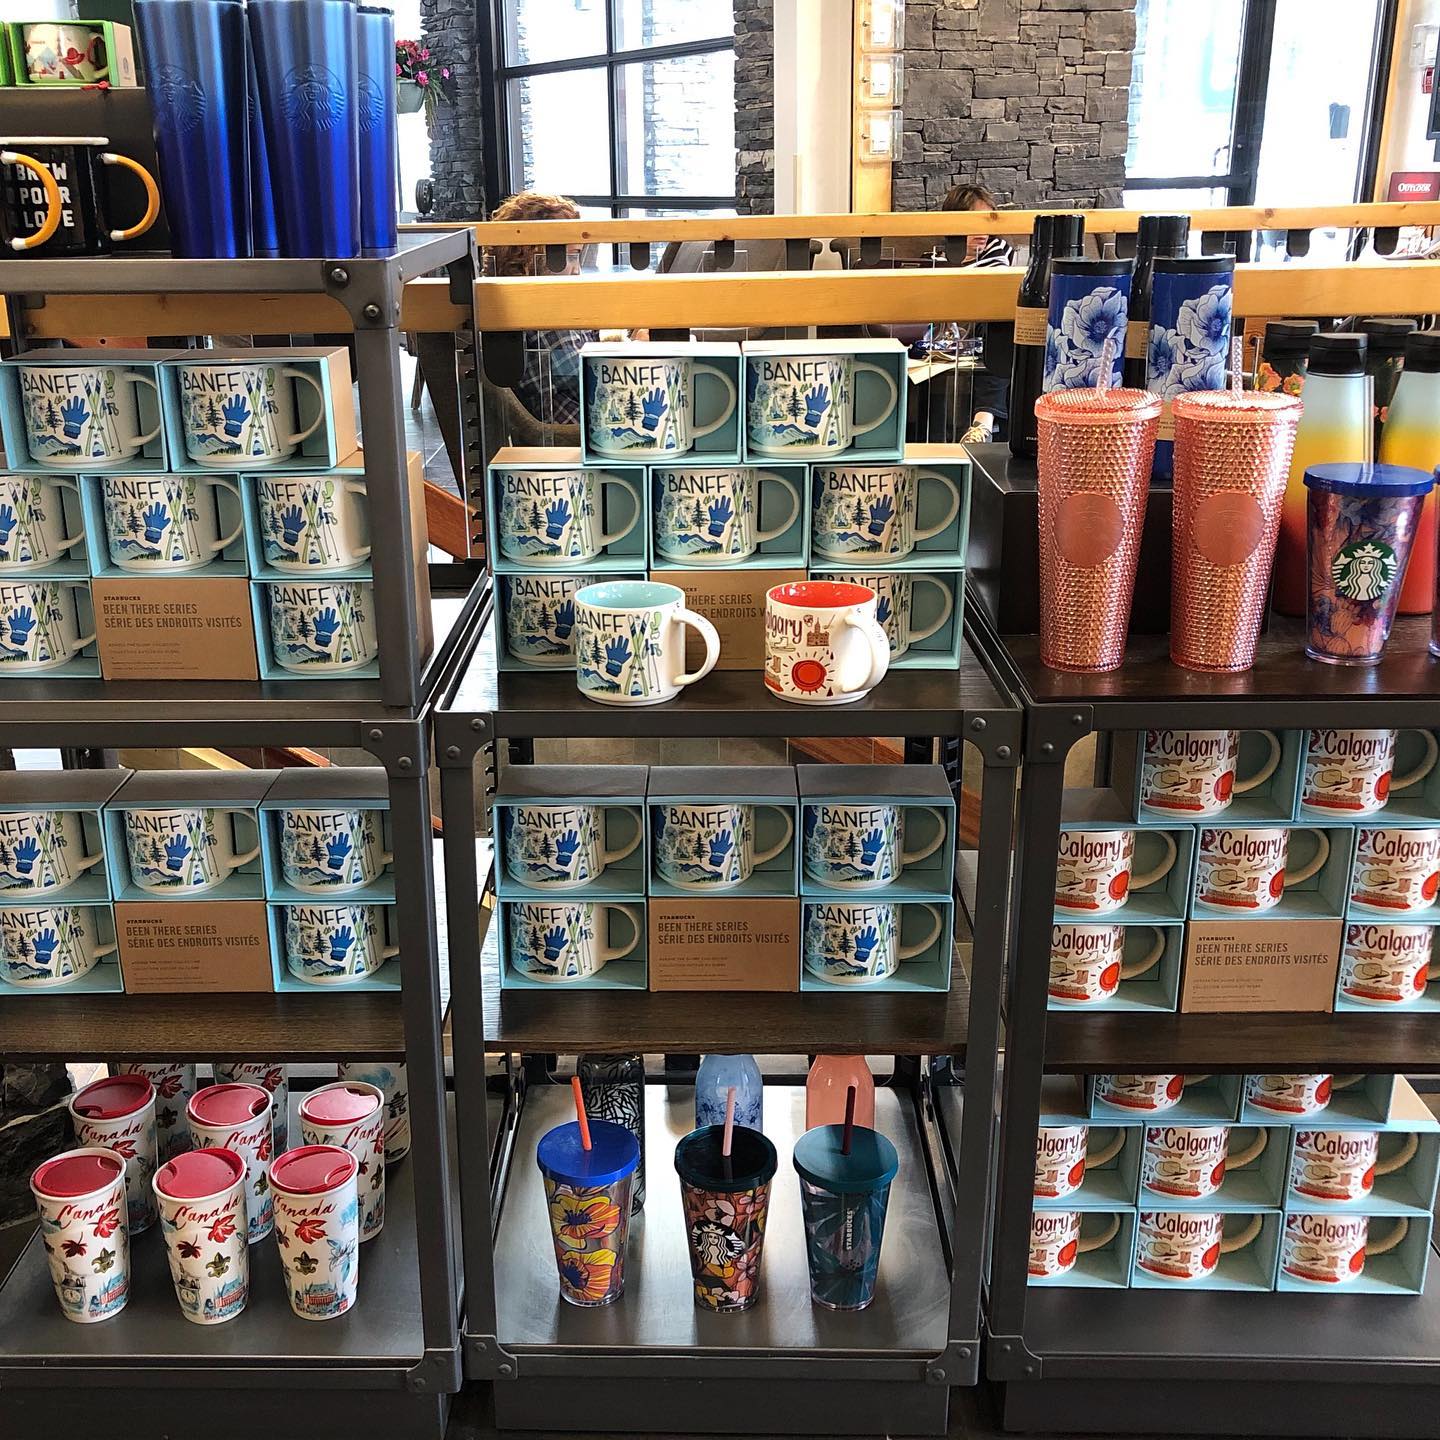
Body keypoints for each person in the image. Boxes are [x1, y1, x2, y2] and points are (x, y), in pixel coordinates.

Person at [484, 191, 594, 426]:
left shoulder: (508, 297)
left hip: (574, 419)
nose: (577, 270)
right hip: (573, 430)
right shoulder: (540, 309)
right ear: (533, 254)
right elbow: (585, 379)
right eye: (570, 257)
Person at [941, 183, 1014, 443]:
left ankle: (983, 422)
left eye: (986, 222)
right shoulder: (936, 259)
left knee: (1001, 320)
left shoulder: (998, 250)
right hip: (945, 334)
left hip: (986, 330)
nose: (981, 232)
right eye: (973, 223)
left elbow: (995, 283)